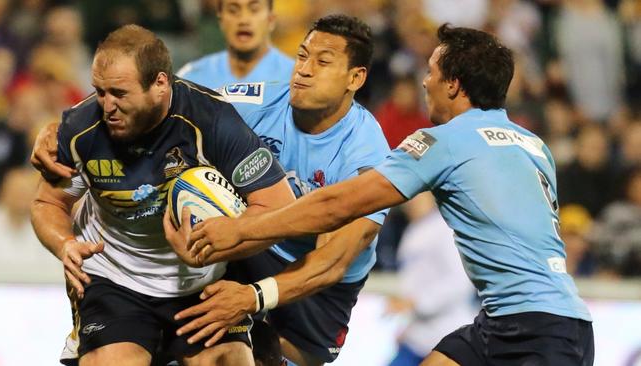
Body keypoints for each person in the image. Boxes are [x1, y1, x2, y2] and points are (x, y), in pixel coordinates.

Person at [191, 24, 595, 366]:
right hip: (525, 319)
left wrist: (242, 230)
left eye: (432, 71)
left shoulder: (443, 142)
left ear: (453, 85)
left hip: (536, 330)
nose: (424, 81)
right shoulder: (533, 144)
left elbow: (337, 204)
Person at [31, 15, 390, 366]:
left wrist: (252, 296)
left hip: (317, 279)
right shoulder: (255, 102)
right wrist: (58, 131)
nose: (305, 69)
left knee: (278, 354)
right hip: (243, 247)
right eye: (301, 56)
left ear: (356, 78)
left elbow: (332, 263)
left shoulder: (366, 154)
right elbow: (178, 97)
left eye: (322, 62)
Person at [386, 192, 476, 366]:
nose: (411, 203)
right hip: (418, 336)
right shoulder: (414, 228)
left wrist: (415, 302)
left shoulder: (446, 229)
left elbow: (461, 281)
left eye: (418, 196)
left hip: (449, 333)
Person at [176, 0, 294, 89]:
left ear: (271, 20)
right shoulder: (190, 79)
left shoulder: (294, 79)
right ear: (221, 21)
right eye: (233, 10)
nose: (243, 20)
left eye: (254, 9)